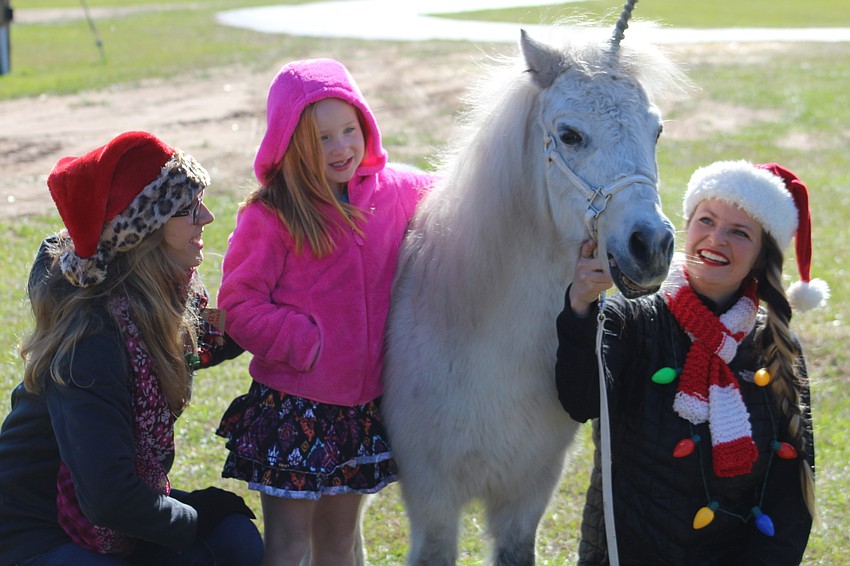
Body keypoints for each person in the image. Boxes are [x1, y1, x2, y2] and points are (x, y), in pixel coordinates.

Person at [0, 131, 263, 565]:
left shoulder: (159, 299)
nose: (208, 217)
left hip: (104, 510)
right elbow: (110, 497)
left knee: (235, 540)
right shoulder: (93, 339)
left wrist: (297, 305)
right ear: (143, 234)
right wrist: (194, 518)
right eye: (187, 209)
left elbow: (205, 341)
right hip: (39, 526)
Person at [555, 160, 829, 565]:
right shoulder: (630, 318)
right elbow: (581, 401)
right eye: (706, 220)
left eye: (739, 232)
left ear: (759, 255)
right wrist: (580, 309)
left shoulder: (774, 344)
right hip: (626, 552)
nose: (716, 240)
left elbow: (790, 495)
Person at [215, 58, 433, 565]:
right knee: (290, 545)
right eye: (322, 138)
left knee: (339, 544)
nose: (341, 148)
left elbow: (463, 196)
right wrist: (305, 342)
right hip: (296, 407)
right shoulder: (271, 214)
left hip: (361, 411)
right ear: (290, 141)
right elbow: (239, 304)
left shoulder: (395, 192)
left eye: (349, 130)